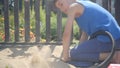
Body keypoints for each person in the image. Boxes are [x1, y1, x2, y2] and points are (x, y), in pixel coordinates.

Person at [54, 0, 120, 67]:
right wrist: (79, 48)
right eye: (59, 8)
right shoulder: (82, 4)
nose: (61, 9)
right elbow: (85, 33)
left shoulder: (73, 7)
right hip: (112, 39)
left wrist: (65, 56)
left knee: (74, 54)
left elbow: (66, 34)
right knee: (78, 55)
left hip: (109, 39)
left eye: (61, 4)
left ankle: (114, 56)